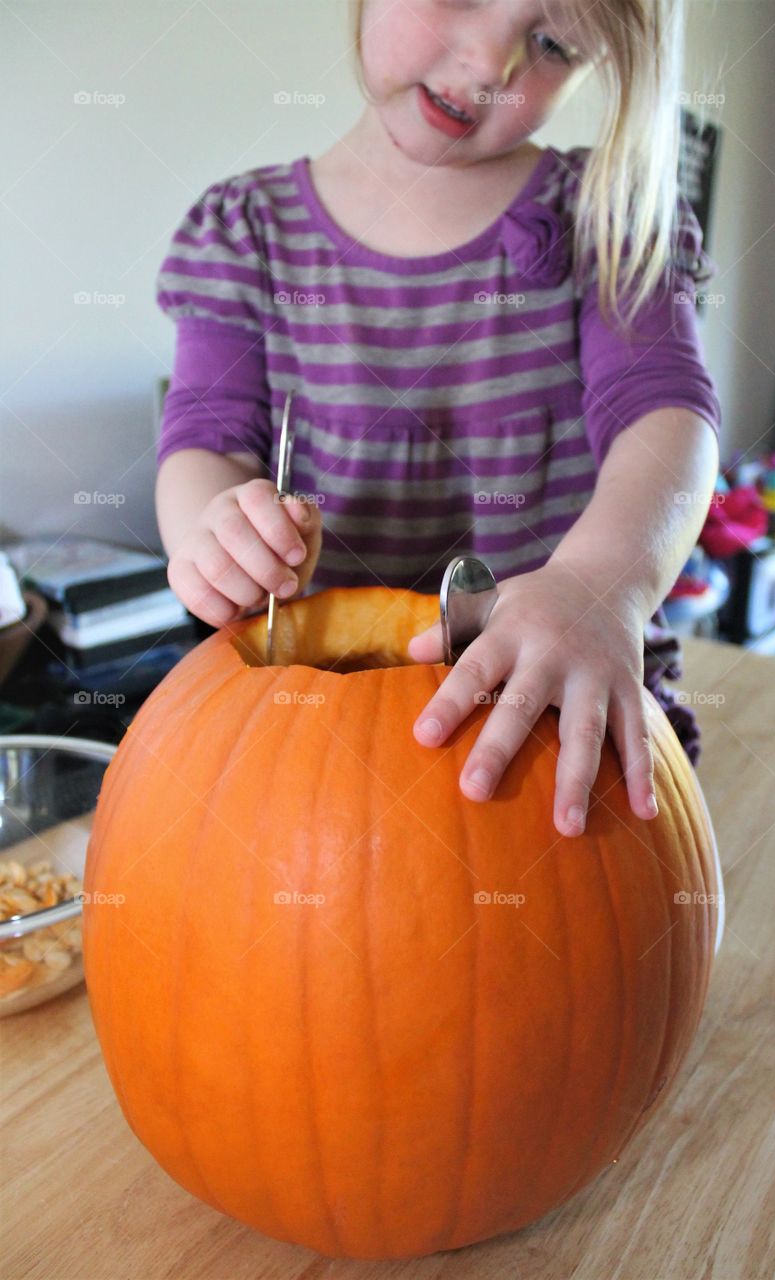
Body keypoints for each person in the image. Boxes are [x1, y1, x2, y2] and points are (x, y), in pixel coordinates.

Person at [154, 0, 721, 838]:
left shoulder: (605, 213)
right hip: (314, 743)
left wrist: (598, 586)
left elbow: (664, 414)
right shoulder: (242, 233)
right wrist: (216, 531)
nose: (491, 66)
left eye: (552, 43)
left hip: (559, 714)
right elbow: (207, 439)